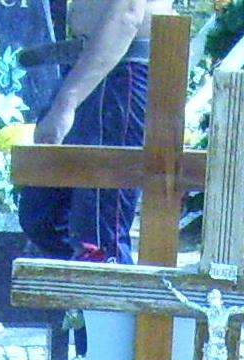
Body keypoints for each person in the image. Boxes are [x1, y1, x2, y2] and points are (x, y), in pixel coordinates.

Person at [18, 0, 173, 264]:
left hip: (121, 71)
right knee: (43, 219)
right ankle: (79, 286)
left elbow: (127, 15)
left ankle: (107, 287)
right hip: (86, 68)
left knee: (100, 240)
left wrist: (66, 103)